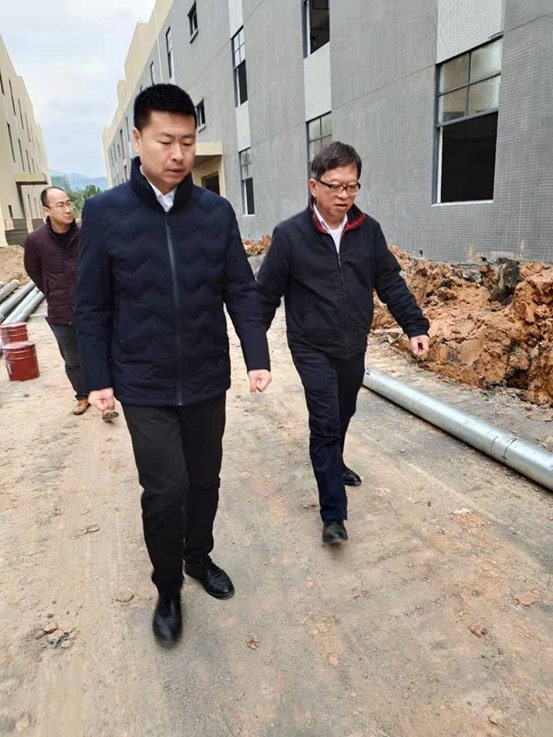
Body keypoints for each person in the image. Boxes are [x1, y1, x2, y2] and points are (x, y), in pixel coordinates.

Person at [76, 84, 271, 647]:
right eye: (166, 141)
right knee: (165, 490)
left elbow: (240, 289)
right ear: (138, 140)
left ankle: (197, 556)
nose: (179, 154)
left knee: (204, 480)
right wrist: (97, 379)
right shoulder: (105, 213)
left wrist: (256, 356)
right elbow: (91, 305)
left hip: (206, 376)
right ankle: (167, 589)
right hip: (144, 381)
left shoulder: (215, 212)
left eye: (188, 141)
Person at [257, 141, 429, 546]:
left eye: (351, 186)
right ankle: (333, 514)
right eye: (335, 186)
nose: (343, 195)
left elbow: (389, 281)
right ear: (313, 186)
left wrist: (414, 326)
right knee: (325, 422)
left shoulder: (367, 230)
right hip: (310, 345)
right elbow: (264, 297)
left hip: (353, 344)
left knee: (344, 411)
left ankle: (335, 462)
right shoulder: (289, 235)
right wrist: (255, 355)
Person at [23, 187, 119, 420]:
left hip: (94, 309)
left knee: (103, 352)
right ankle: (82, 395)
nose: (68, 209)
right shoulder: (35, 240)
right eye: (61, 205)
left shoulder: (87, 234)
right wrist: (53, 292)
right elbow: (33, 270)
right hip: (61, 311)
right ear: (46, 210)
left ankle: (108, 399)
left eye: (69, 203)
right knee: (73, 360)